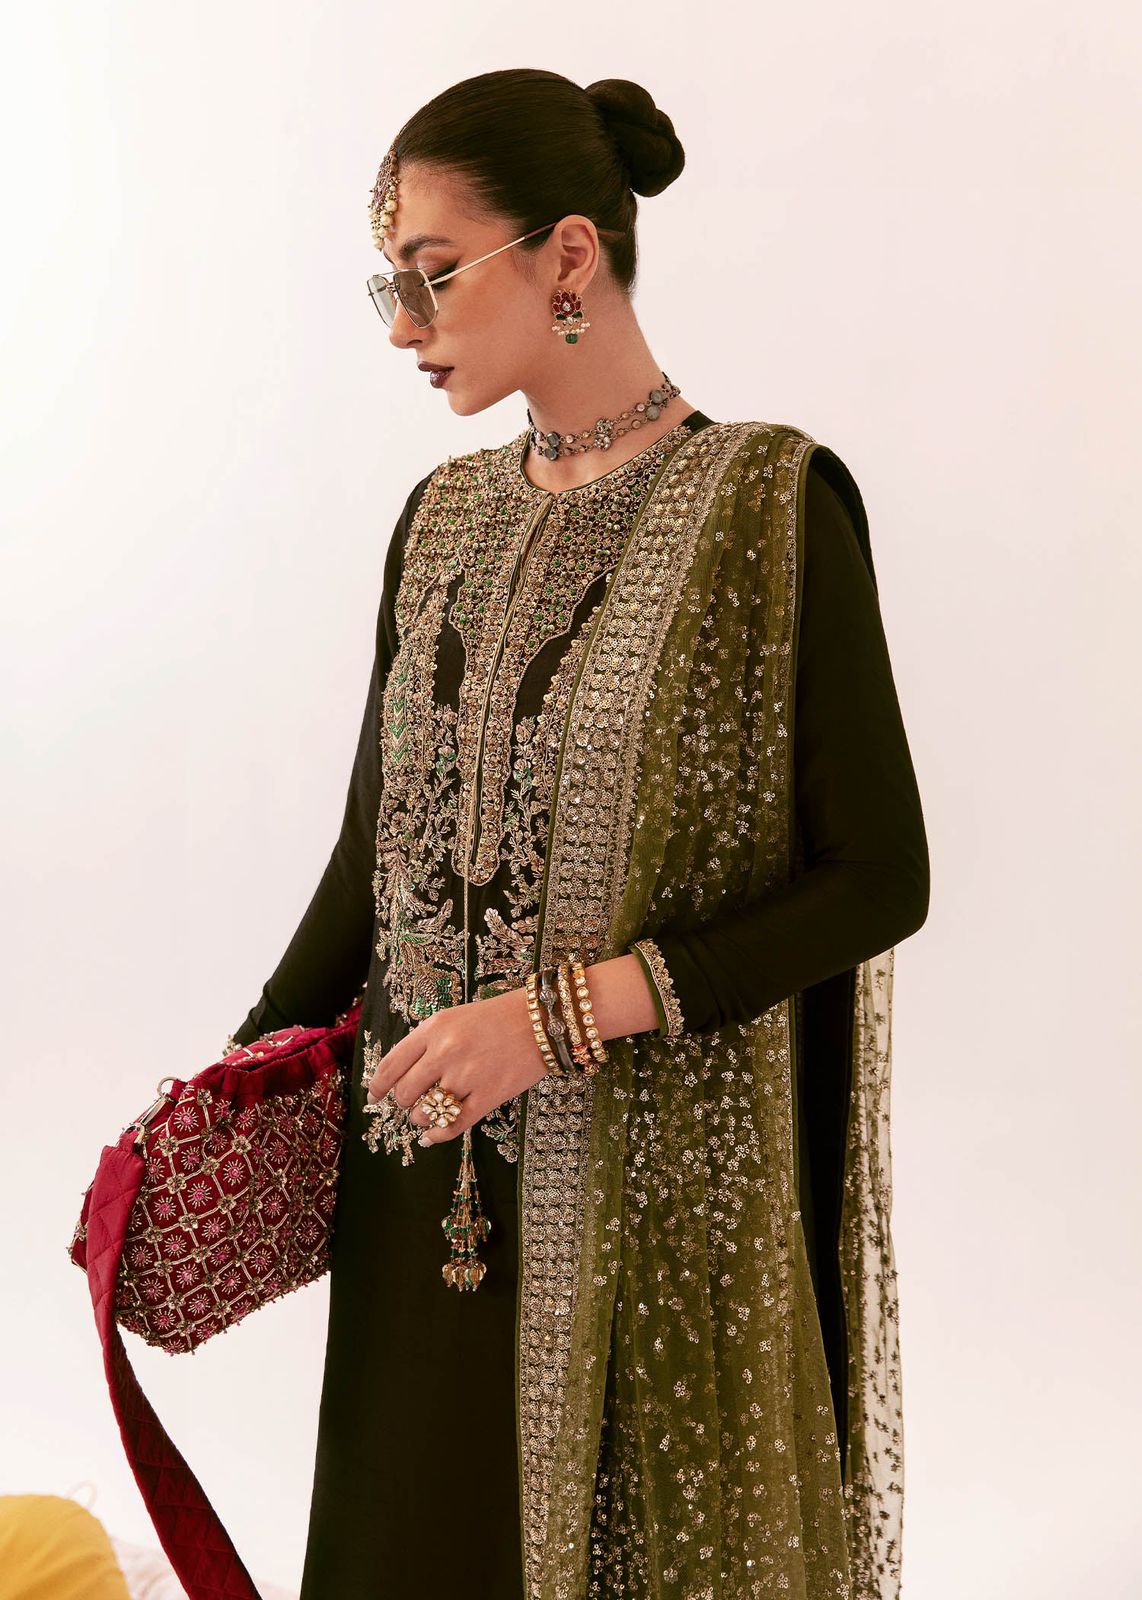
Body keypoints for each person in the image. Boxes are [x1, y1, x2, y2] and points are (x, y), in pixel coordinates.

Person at [227, 69, 929, 1600]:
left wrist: (553, 1020)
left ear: (565, 254)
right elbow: (371, 860)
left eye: (432, 275)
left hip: (653, 1199)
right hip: (419, 1165)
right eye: (390, 287)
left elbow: (878, 878)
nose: (405, 329)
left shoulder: (766, 507)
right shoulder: (439, 520)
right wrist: (218, 1095)